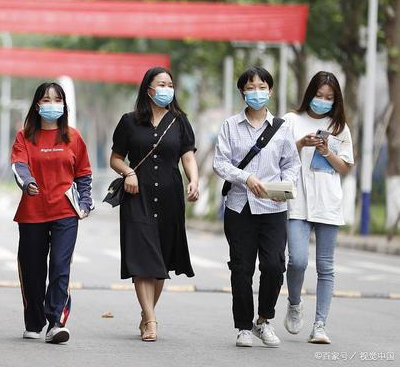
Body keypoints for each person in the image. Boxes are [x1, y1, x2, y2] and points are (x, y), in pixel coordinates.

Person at [213, 66, 301, 348]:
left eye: (262, 87)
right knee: (241, 268)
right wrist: (246, 178)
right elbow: (220, 163)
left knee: (274, 266)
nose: (257, 92)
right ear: (242, 92)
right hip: (240, 207)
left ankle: (263, 320)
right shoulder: (229, 126)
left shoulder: (282, 128)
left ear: (270, 91)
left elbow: (291, 164)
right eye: (251, 87)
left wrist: (284, 188)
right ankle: (243, 327)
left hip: (274, 209)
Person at [109, 67, 199, 342]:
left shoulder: (180, 121)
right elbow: (115, 158)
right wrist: (129, 173)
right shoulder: (129, 121)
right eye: (161, 84)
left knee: (160, 262)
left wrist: (194, 180)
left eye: (170, 84)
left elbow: (187, 157)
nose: (166, 89)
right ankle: (150, 319)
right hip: (138, 196)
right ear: (148, 88)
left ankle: (147, 313)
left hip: (171, 197)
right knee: (142, 259)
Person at [11, 82, 93, 344]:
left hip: (65, 212)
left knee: (60, 266)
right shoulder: (25, 136)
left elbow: (83, 172)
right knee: (33, 269)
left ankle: (56, 322)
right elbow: (19, 166)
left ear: (64, 105)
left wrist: (85, 202)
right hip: (32, 212)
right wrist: (27, 183)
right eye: (46, 100)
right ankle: (34, 321)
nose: (52, 105)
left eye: (57, 100)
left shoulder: (72, 136)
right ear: (37, 105)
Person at [282, 71, 354, 344]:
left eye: (329, 97)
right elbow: (279, 157)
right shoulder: (291, 121)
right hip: (297, 201)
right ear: (309, 93)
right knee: (297, 260)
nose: (323, 101)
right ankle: (294, 303)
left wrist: (326, 150)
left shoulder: (339, 126)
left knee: (326, 267)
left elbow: (344, 168)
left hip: (327, 203)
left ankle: (320, 325)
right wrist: (301, 143)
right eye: (319, 95)